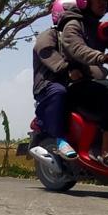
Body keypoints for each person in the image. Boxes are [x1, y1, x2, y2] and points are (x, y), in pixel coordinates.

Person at [57, 0, 108, 167]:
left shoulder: (102, 28)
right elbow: (78, 49)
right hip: (76, 86)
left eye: (106, 0)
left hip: (95, 84)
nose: (103, 2)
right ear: (85, 1)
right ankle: (106, 152)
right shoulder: (73, 25)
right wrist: (102, 57)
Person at [32, 27, 80, 160]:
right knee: (59, 92)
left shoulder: (80, 34)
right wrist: (67, 68)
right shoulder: (49, 34)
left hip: (73, 81)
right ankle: (61, 140)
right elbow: (45, 50)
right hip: (47, 84)